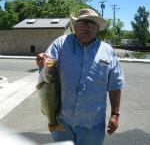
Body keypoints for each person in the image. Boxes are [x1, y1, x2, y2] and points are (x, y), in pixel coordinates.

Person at [36, 8, 125, 145]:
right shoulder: (60, 43)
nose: (85, 27)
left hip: (92, 124)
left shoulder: (108, 51)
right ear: (75, 26)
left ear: (97, 28)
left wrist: (115, 114)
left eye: (90, 24)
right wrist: (42, 60)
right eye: (82, 23)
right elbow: (47, 65)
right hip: (62, 119)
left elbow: (115, 85)